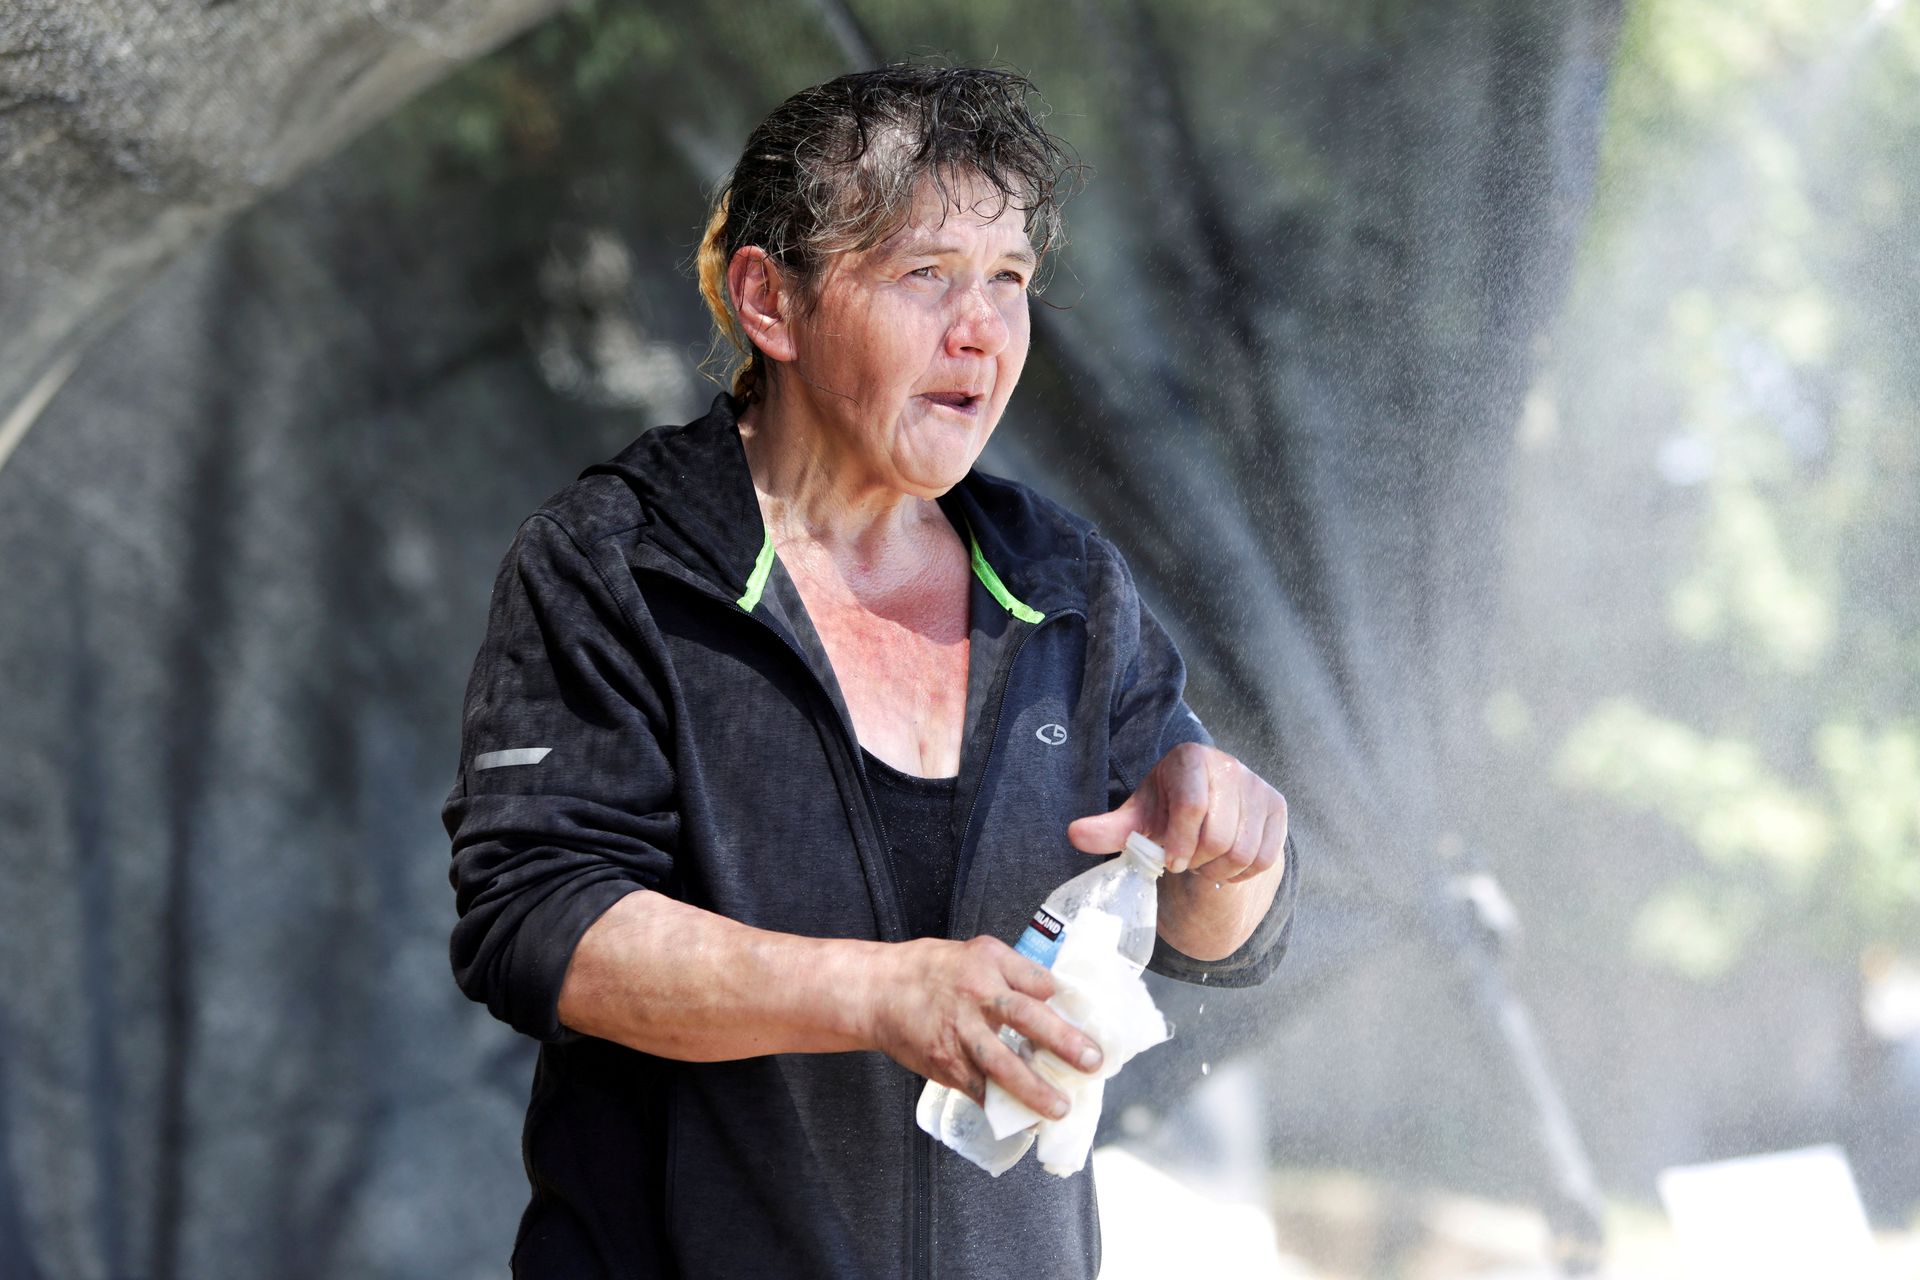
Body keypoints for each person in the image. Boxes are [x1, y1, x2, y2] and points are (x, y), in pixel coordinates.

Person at [444, 63, 1299, 1279]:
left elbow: (1215, 938)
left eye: (1008, 280)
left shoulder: (1062, 582)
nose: (983, 329)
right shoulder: (617, 564)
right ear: (770, 304)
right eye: (926, 274)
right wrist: (878, 994)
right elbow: (542, 923)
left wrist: (1237, 849)